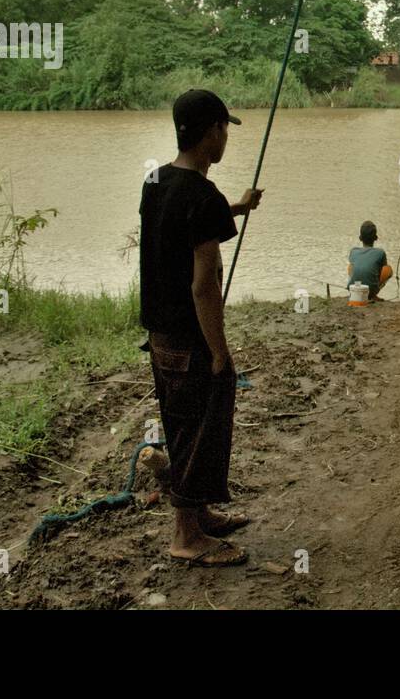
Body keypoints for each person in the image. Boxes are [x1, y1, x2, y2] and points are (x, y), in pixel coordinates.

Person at [139, 89, 263, 566]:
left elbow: (177, 222)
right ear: (212, 131)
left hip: (159, 335)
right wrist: (218, 352)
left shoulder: (156, 181)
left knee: (181, 425)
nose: (226, 137)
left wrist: (234, 207)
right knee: (199, 431)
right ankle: (186, 537)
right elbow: (203, 287)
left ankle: (200, 514)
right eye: (224, 128)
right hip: (190, 339)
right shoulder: (202, 196)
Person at [347, 220, 392, 301]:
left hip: (353, 289)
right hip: (370, 291)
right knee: (388, 269)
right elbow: (380, 272)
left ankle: (356, 288)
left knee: (351, 266)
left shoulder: (353, 251)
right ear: (375, 238)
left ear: (360, 238)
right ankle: (373, 294)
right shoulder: (380, 253)